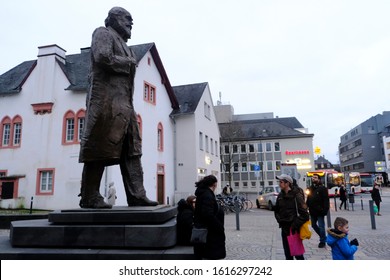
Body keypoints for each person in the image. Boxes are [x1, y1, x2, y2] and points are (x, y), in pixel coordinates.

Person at [78, 7, 158, 208]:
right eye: (127, 19)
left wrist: (129, 61)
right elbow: (103, 58)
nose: (131, 23)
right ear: (113, 19)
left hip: (125, 106)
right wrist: (129, 63)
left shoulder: (129, 48)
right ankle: (90, 196)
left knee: (132, 149)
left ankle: (137, 195)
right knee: (98, 149)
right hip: (106, 103)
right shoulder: (103, 33)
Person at [274, 174, 309, 260]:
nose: (279, 184)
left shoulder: (297, 195)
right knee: (288, 254)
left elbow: (305, 215)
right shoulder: (280, 195)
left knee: (298, 254)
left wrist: (294, 225)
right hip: (284, 228)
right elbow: (276, 210)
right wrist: (279, 220)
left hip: (293, 229)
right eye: (279, 182)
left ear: (287, 183)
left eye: (281, 182)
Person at [193, 175, 226, 259]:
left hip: (207, 229)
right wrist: (218, 226)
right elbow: (207, 214)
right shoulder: (207, 195)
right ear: (214, 184)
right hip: (209, 232)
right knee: (210, 256)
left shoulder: (203, 193)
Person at [306, 173, 330, 248]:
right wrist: (306, 206)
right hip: (312, 211)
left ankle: (322, 241)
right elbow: (309, 198)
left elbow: (326, 200)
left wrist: (325, 210)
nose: (313, 179)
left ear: (319, 179)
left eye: (315, 178)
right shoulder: (310, 188)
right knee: (313, 225)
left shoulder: (323, 188)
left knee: (321, 226)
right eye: (313, 178)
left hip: (320, 211)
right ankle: (323, 237)